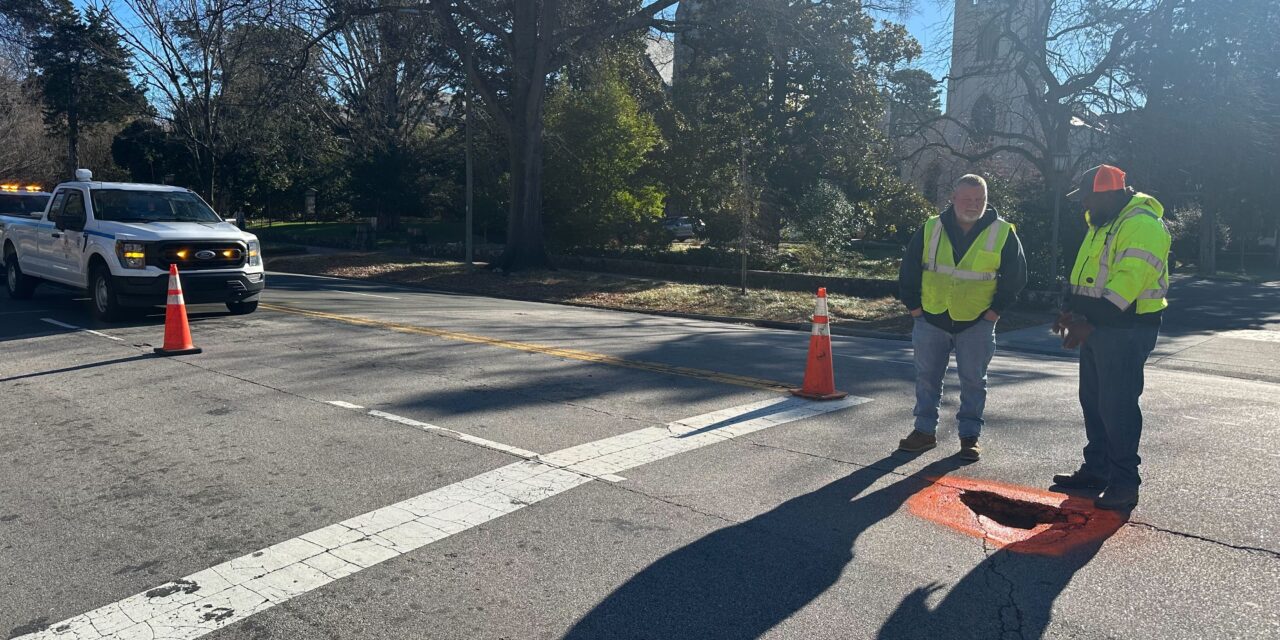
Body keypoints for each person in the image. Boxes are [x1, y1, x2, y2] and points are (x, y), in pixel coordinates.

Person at [1052, 164, 1170, 511]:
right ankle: (1098, 469)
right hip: (1100, 326)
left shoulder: (1141, 225)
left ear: (1107, 193)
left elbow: (1126, 286)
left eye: (1087, 196)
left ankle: (1124, 483)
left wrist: (1089, 321)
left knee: (1116, 406)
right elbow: (1089, 277)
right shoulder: (1104, 223)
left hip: (1126, 329)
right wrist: (1071, 311)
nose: (1083, 204)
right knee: (1093, 400)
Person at [897, 174, 1027, 460]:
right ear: (953, 198)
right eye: (967, 199)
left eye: (979, 199)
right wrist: (915, 310)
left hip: (977, 321)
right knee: (927, 378)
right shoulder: (931, 228)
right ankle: (924, 431)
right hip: (931, 317)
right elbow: (909, 269)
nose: (974, 204)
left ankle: (970, 436)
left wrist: (993, 314)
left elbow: (1015, 278)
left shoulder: (1002, 232)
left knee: (973, 381)